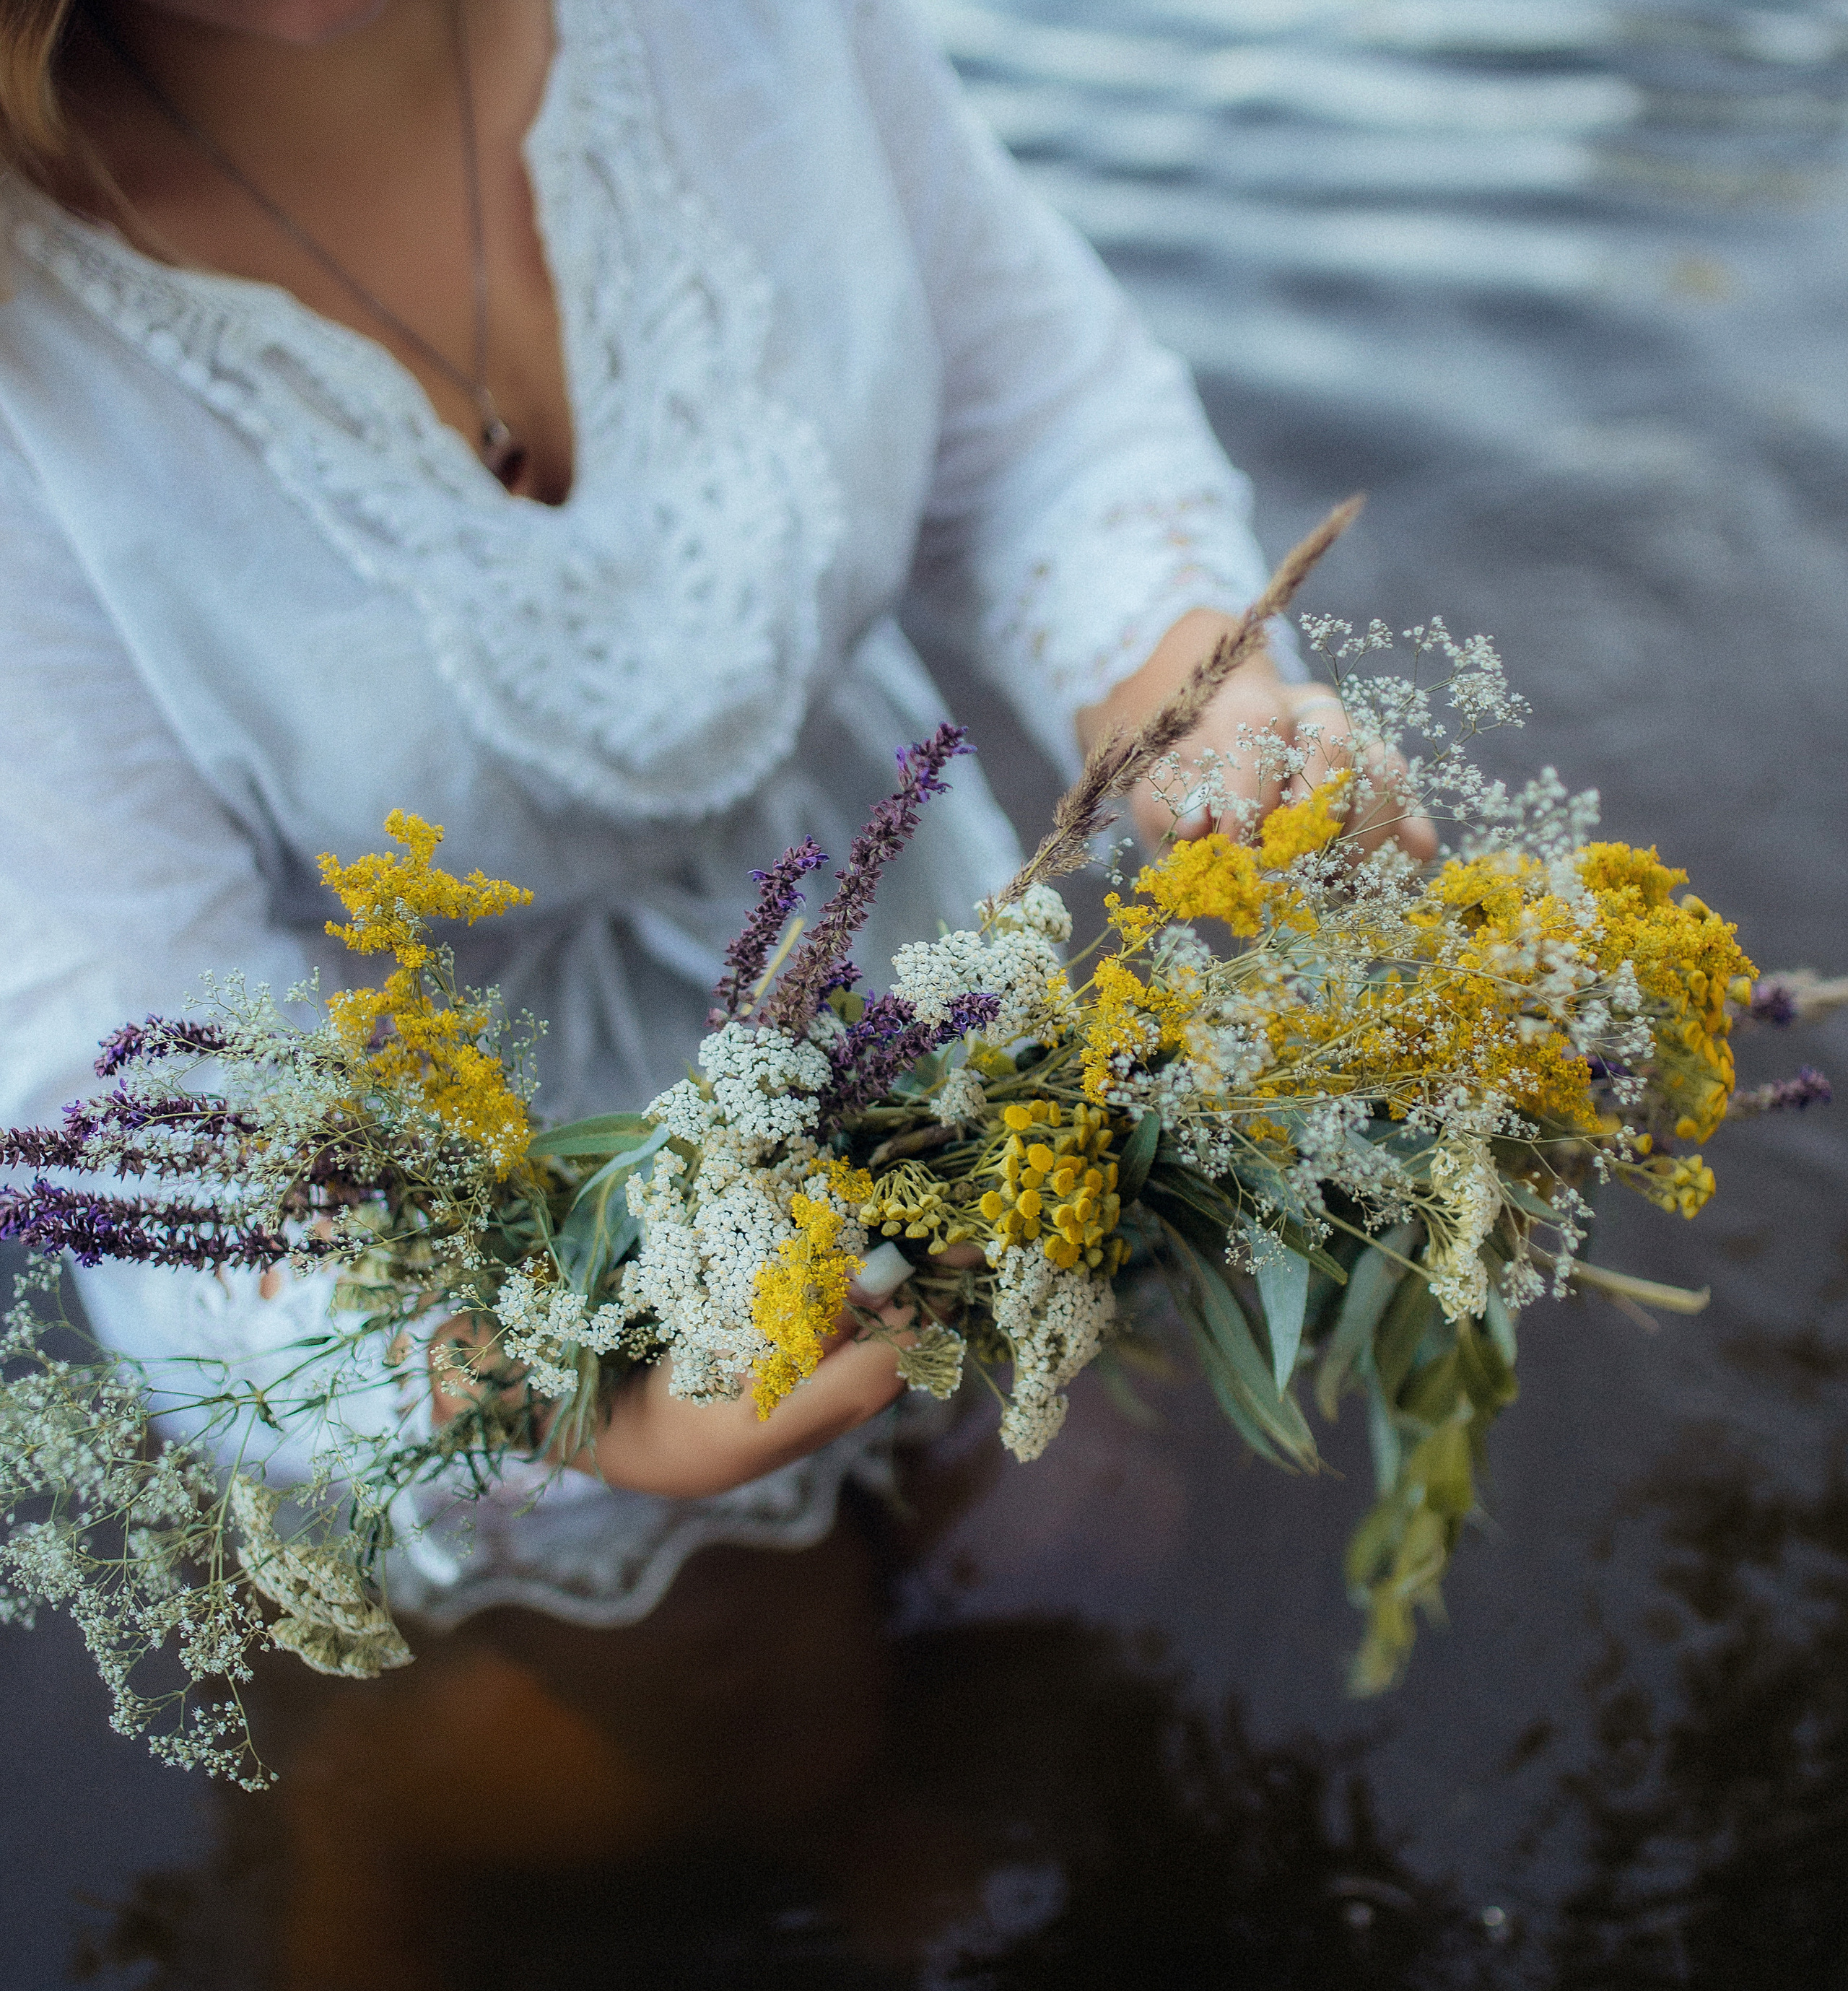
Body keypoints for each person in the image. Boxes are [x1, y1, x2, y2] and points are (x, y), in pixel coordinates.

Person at [0, 0, 1426, 1624]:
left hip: (895, 980)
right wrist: (553, 1384)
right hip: (445, 1189)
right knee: (670, 1769)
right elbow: (128, 1058)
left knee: (1076, 1565)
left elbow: (1034, 419)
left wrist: (1200, 720)